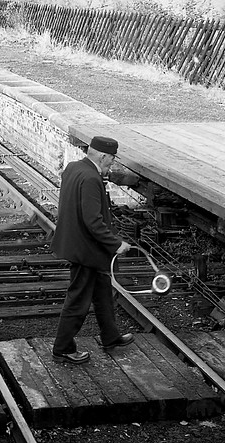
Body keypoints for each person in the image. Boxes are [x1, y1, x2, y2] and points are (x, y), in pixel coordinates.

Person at [51, 136, 134, 364]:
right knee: (78, 299)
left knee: (102, 293)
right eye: (112, 159)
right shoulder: (91, 179)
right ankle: (62, 348)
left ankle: (111, 336)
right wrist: (116, 244)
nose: (112, 164)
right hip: (86, 250)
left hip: (81, 245)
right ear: (103, 156)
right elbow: (93, 221)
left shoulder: (74, 168)